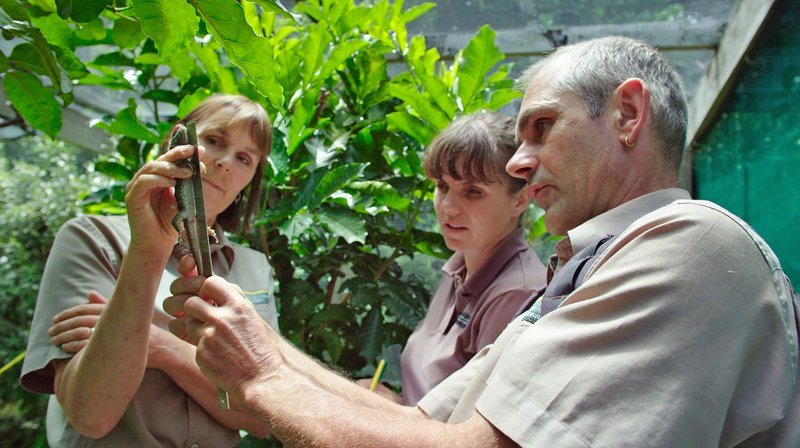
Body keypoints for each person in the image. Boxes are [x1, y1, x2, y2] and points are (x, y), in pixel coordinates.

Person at [166, 36, 796, 446]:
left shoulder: (693, 245)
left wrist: (263, 377)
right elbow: (422, 424)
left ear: (628, 116)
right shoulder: (578, 273)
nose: (519, 163)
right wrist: (261, 348)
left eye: (542, 128)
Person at [20, 94, 277, 447]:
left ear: (250, 179)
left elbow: (264, 417)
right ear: (178, 142)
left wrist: (161, 346)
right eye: (214, 141)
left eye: (245, 159)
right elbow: (91, 414)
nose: (226, 162)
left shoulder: (254, 268)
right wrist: (147, 251)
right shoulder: (93, 238)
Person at [361, 112, 545, 405]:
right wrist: (392, 402)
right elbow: (429, 397)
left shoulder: (516, 294)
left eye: (473, 191)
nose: (448, 206)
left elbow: (471, 429)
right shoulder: (461, 265)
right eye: (442, 186)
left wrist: (387, 414)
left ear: (521, 200)